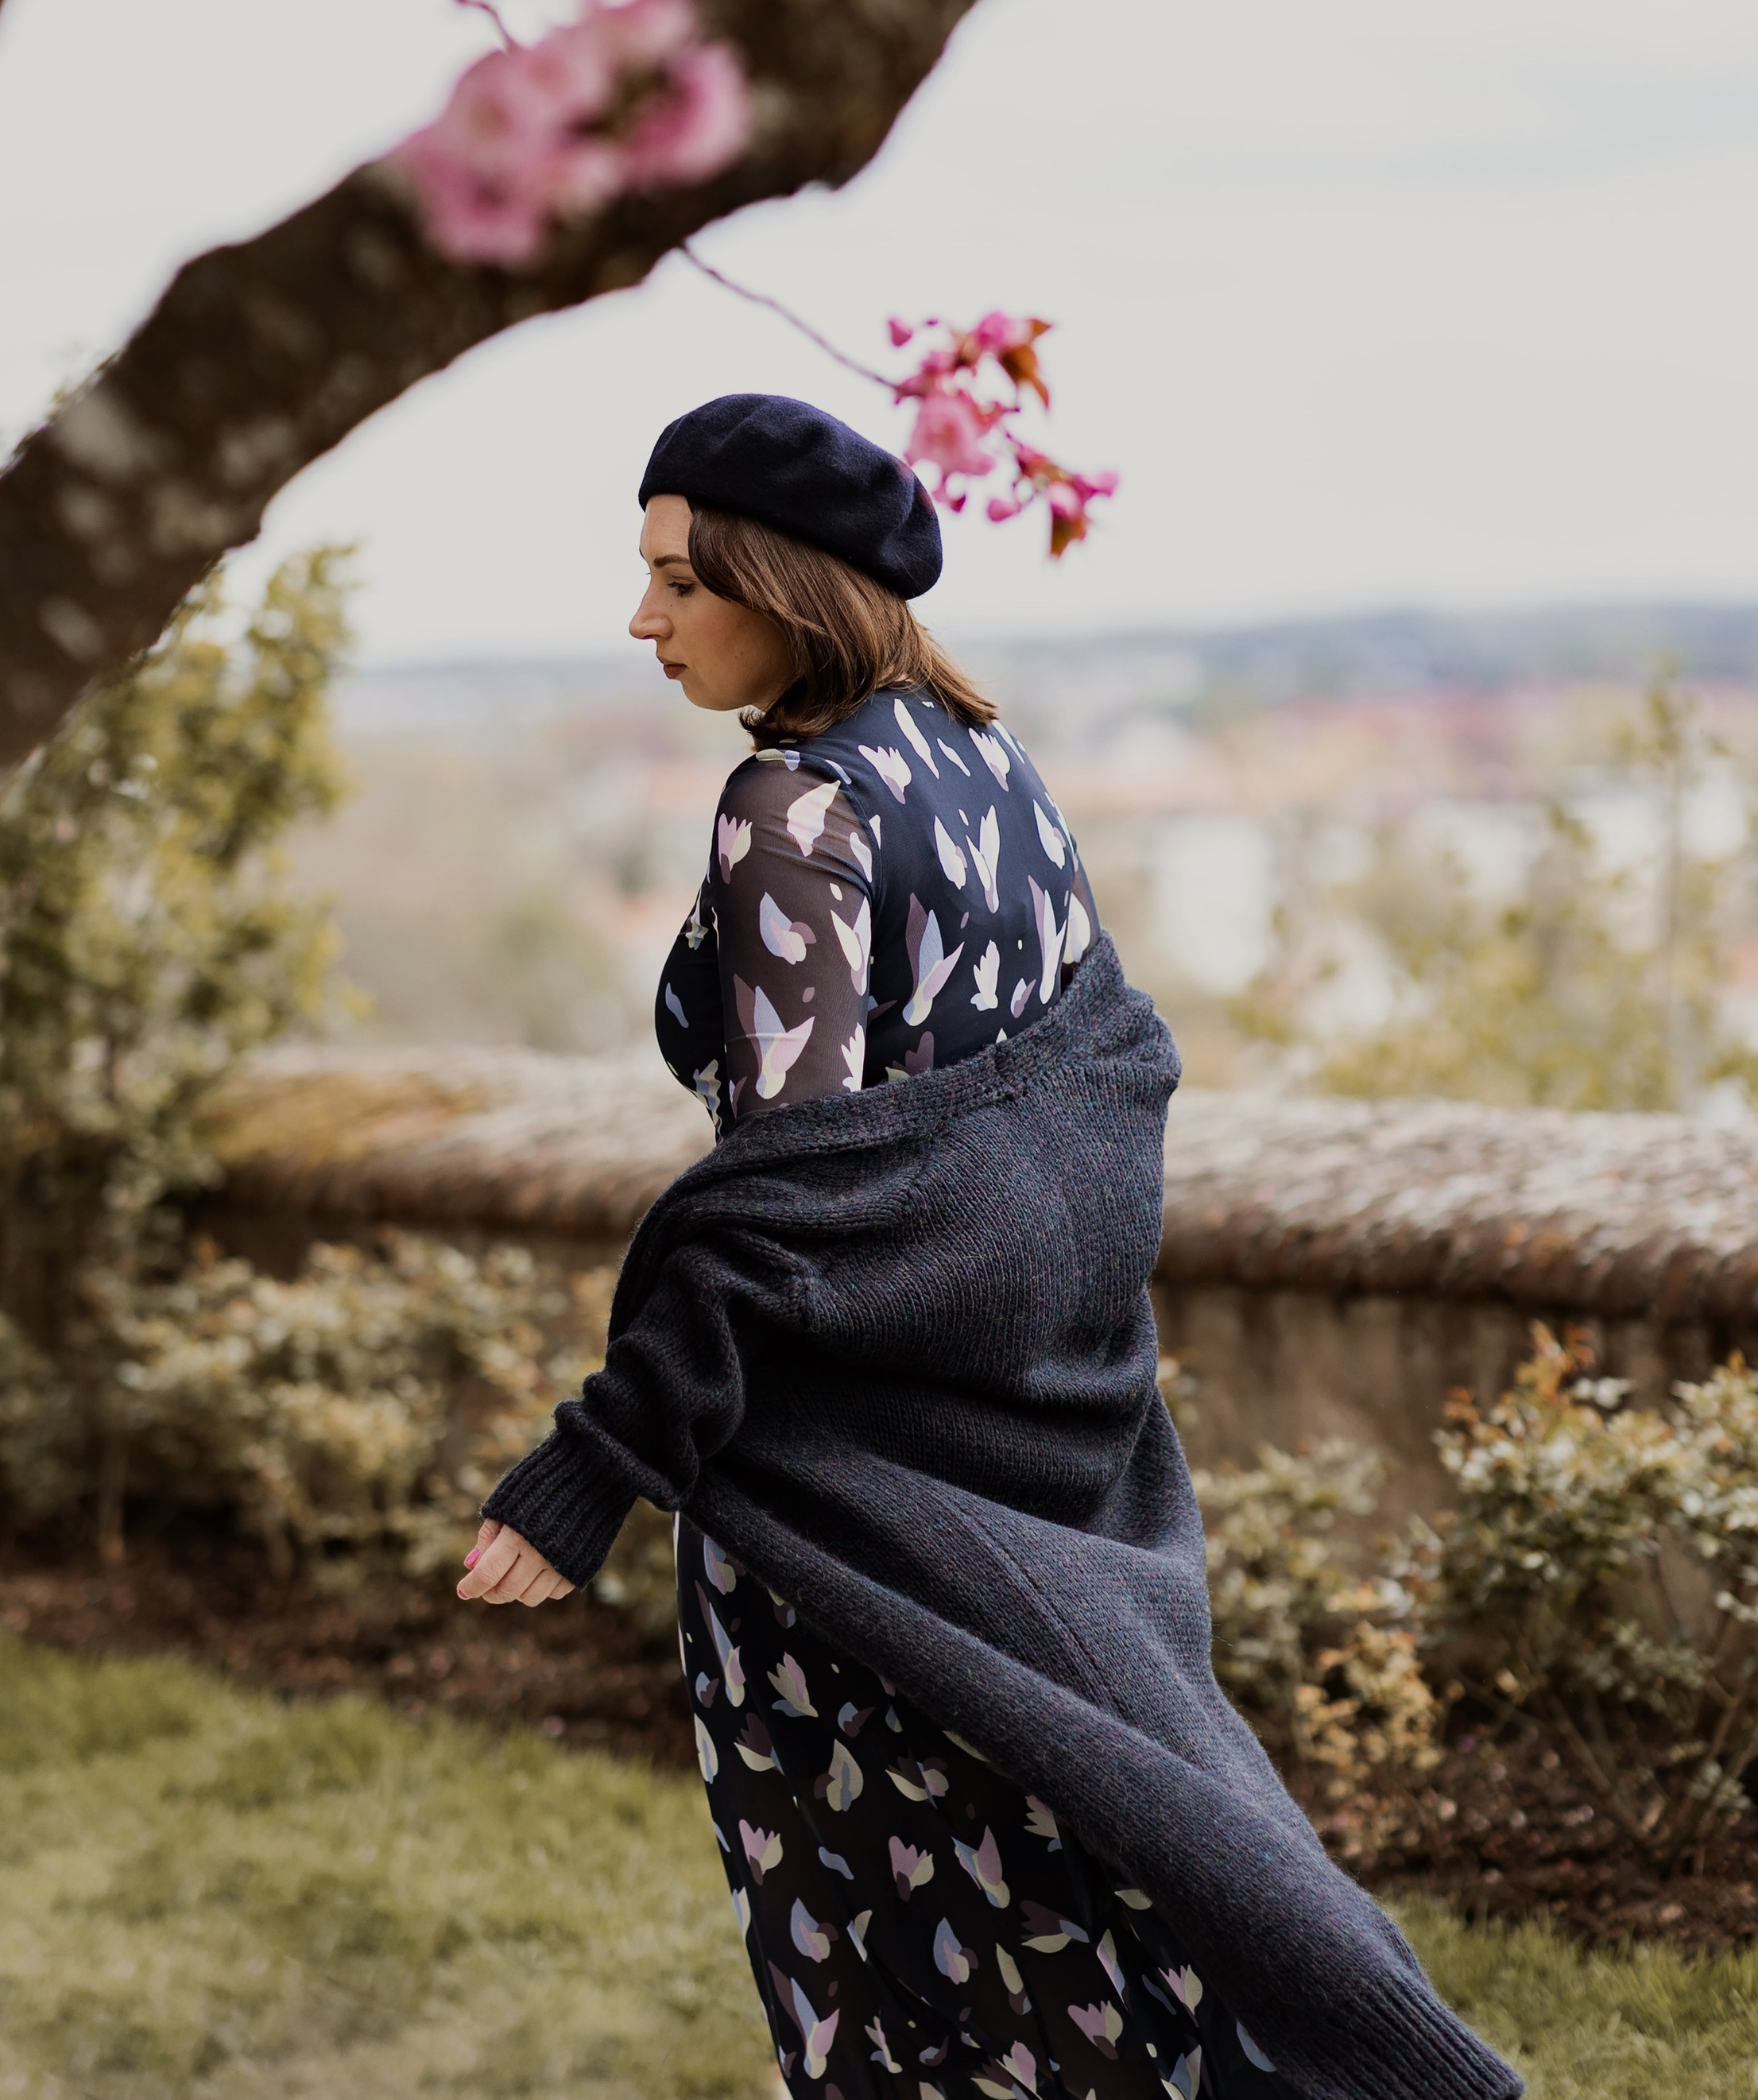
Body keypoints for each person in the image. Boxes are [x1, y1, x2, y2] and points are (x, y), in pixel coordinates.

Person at [458, 393, 1518, 2100]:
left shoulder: (790, 814)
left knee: (903, 1968)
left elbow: (792, 1206)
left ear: (777, 583)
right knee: (1094, 1905)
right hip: (1031, 1444)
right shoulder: (986, 768)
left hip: (843, 1499)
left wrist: (597, 1463)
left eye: (676, 582)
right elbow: (1084, 1097)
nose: (641, 623)